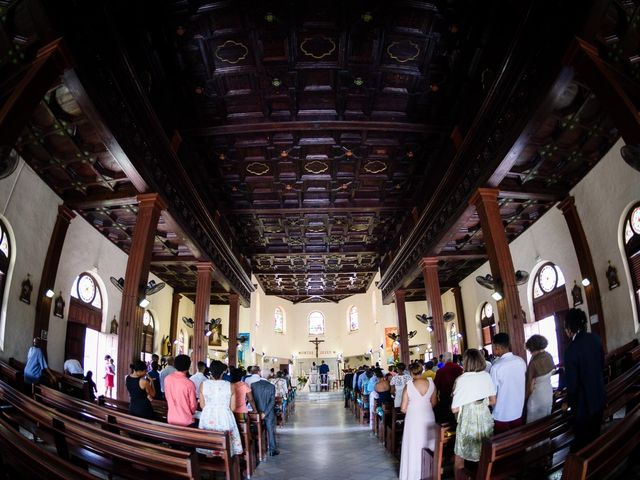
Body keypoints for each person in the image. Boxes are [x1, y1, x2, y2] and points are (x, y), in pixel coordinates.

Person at [562, 308, 605, 452]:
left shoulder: (571, 350)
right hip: (599, 397)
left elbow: (572, 385)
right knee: (595, 436)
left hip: (583, 405)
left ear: (569, 327)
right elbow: (601, 365)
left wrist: (569, 403)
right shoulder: (595, 338)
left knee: (583, 445)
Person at [451, 349, 496, 479]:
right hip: (484, 419)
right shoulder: (486, 376)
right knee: (485, 453)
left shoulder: (461, 380)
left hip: (468, 421)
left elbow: (454, 409)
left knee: (460, 456)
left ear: (465, 362)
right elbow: (493, 401)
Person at [399, 362, 436, 480]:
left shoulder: (409, 385)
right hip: (428, 415)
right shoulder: (431, 383)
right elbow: (434, 402)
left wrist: (413, 408)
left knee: (413, 442)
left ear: (411, 372)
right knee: (427, 441)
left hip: (413, 418)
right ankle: (428, 471)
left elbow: (403, 408)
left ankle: (413, 474)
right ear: (422, 370)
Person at [198, 361, 243, 457]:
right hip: (224, 417)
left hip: (207, 416)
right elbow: (233, 408)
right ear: (223, 372)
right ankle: (225, 460)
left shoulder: (203, 384)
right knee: (226, 443)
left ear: (210, 371)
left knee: (209, 441)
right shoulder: (230, 385)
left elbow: (202, 406)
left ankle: (210, 461)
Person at [490, 333, 526, 433]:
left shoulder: (496, 367)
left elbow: (493, 393)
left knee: (503, 445)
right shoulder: (520, 361)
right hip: (518, 410)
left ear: (497, 347)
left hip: (502, 414)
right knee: (518, 441)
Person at [525, 334, 556, 423]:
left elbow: (530, 387)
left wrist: (525, 398)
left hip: (537, 396)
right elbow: (553, 371)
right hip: (548, 392)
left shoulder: (534, 362)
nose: (530, 352)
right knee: (546, 421)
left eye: (530, 350)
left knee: (533, 425)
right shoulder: (549, 356)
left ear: (533, 348)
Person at [251, 370, 279, 456]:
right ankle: (272, 450)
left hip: (257, 413)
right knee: (270, 431)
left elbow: (252, 400)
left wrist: (257, 411)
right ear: (268, 376)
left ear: (260, 375)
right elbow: (272, 402)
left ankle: (258, 450)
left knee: (257, 430)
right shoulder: (271, 386)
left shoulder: (253, 385)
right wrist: (265, 413)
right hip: (269, 413)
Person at [164, 354, 197, 427]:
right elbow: (193, 406)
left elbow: (167, 397)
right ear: (188, 366)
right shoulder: (189, 383)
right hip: (186, 421)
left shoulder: (167, 379)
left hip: (171, 418)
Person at [434, 352, 463, 424]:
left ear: (443, 359)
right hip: (458, 397)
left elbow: (436, 387)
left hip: (445, 399)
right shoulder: (460, 369)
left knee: (447, 420)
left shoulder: (440, 371)